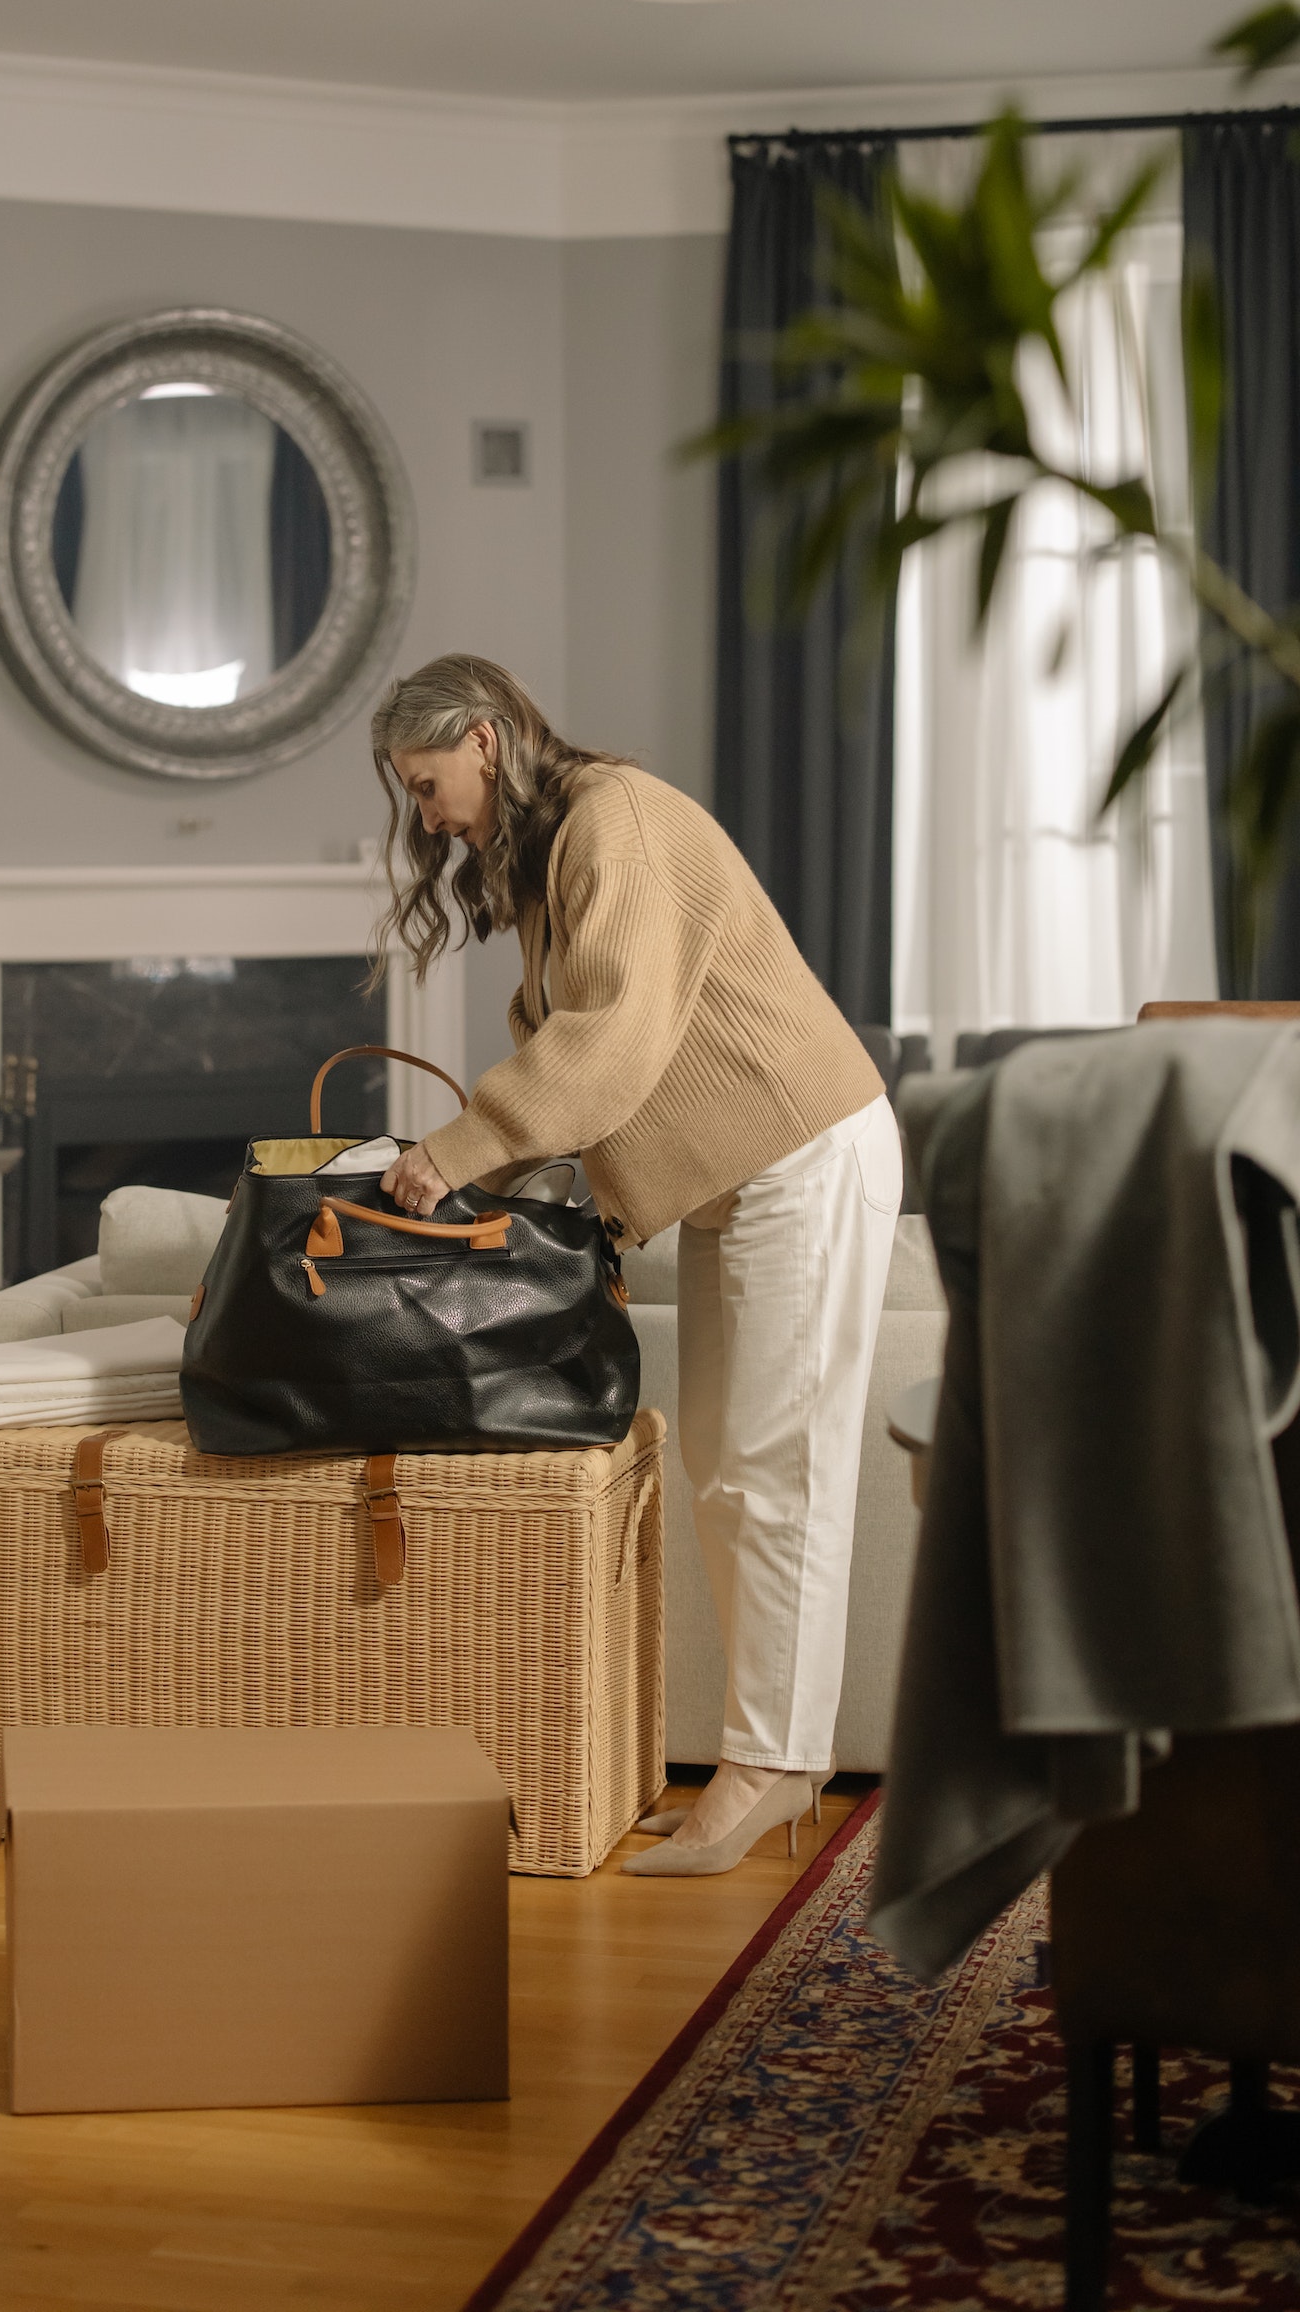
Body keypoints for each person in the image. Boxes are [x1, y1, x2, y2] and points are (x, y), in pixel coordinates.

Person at [369, 654, 902, 1876]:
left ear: (487, 740)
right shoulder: (560, 855)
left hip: (803, 1153)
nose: (427, 812)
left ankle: (767, 1767)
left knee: (781, 1472)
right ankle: (775, 1762)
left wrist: (457, 1148)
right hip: (743, 1179)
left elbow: (609, 1040)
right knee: (725, 1467)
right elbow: (576, 1063)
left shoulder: (616, 822)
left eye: (430, 779)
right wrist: (448, 1175)